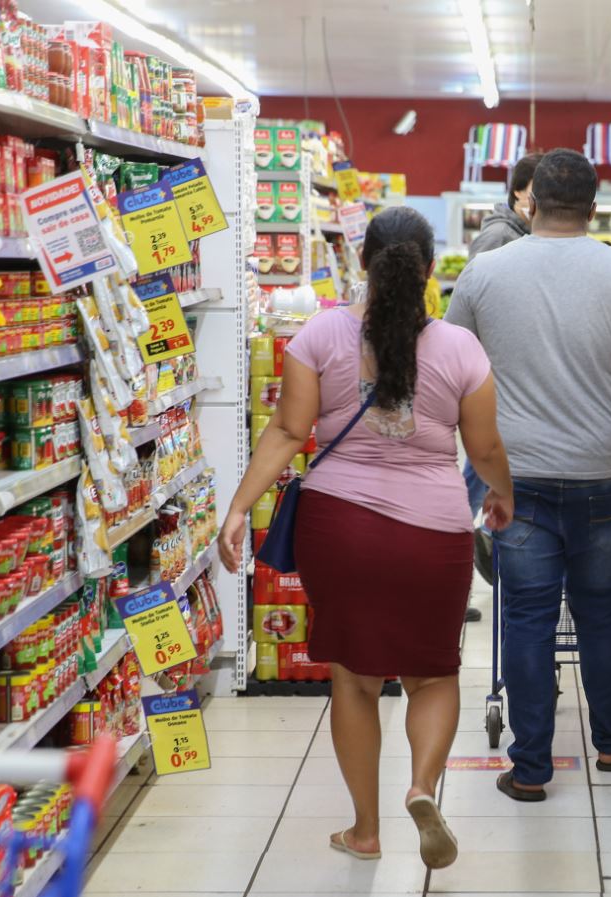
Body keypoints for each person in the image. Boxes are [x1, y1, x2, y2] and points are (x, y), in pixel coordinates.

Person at [218, 206, 513, 869]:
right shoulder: (460, 347)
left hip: (339, 527)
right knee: (432, 673)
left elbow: (289, 433)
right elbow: (486, 445)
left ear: (361, 263)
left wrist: (239, 506)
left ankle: (365, 830)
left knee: (354, 681)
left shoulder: (320, 333)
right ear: (430, 269)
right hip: (434, 531)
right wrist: (503, 494)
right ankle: (420, 786)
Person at [446, 148, 611, 801]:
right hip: (600, 470)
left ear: (530, 202)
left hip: (513, 474)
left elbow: (450, 365)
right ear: (592, 205)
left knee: (525, 614)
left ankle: (529, 768)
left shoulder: (484, 272)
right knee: (601, 610)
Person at [462, 152, 542, 604]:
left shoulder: (521, 234)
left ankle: (470, 540)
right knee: (480, 466)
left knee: (481, 467)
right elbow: (481, 311)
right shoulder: (498, 237)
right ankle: (460, 542)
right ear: (517, 192)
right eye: (536, 193)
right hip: (493, 378)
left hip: (504, 378)